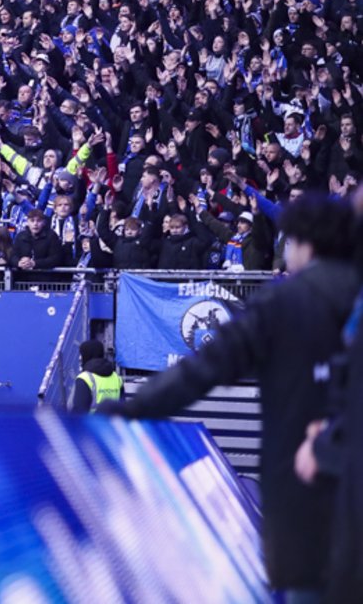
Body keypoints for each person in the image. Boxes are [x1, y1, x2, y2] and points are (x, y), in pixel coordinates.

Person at [100, 193, 360, 599]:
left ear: (303, 243)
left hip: (303, 501)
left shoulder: (284, 302)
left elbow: (203, 369)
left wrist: (133, 408)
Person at [69, 338, 122, 413]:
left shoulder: (85, 378)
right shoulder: (117, 378)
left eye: (82, 354)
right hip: (111, 424)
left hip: (90, 424)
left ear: (87, 355)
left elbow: (78, 412)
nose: (80, 358)